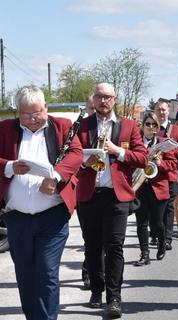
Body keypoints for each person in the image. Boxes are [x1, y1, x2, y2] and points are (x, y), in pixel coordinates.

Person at [0, 84, 83, 320]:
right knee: (25, 272)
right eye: (25, 114)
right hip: (17, 216)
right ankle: (33, 319)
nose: (32, 119)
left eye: (37, 113)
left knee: (47, 272)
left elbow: (76, 155)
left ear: (46, 108)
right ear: (18, 113)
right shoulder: (7, 129)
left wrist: (56, 177)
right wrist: (8, 166)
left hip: (52, 215)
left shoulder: (61, 127)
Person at [76, 82, 147, 318]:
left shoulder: (128, 126)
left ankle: (114, 297)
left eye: (107, 97)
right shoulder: (83, 126)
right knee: (92, 247)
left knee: (114, 247)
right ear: (93, 100)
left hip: (116, 197)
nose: (103, 101)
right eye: (99, 97)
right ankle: (96, 289)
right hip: (89, 195)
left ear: (114, 99)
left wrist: (119, 151)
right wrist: (82, 161)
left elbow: (142, 158)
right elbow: (69, 156)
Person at [134, 112, 172, 265]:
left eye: (154, 124)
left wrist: (160, 164)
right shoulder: (136, 143)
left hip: (158, 188)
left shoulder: (163, 144)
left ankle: (162, 242)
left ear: (157, 127)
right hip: (140, 187)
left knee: (156, 223)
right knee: (141, 222)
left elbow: (173, 165)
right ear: (142, 126)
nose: (150, 127)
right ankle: (144, 254)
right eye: (147, 124)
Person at [155, 99, 178, 251]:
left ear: (169, 111)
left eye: (164, 110)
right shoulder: (150, 127)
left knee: (168, 208)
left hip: (170, 173)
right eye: (159, 109)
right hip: (153, 175)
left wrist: (168, 149)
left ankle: (167, 238)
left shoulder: (177, 130)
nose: (161, 112)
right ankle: (156, 234)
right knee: (154, 208)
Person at [81, 94, 96, 290]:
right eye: (91, 109)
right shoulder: (81, 128)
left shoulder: (112, 126)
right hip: (86, 192)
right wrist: (84, 162)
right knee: (90, 241)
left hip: (109, 191)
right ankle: (88, 272)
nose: (95, 112)